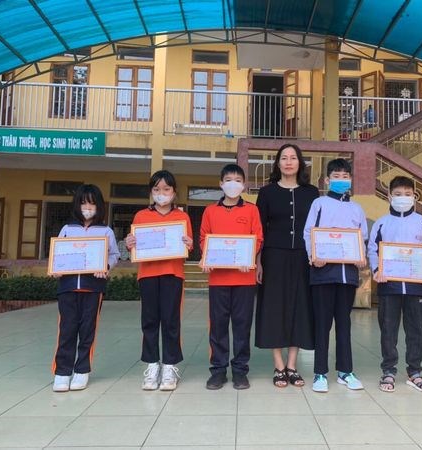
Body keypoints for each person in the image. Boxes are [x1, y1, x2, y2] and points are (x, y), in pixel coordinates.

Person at [255, 143, 319, 387]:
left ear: (300, 163)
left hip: (303, 256)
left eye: (293, 158)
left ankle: (292, 365)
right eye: (284, 158)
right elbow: (260, 230)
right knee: (274, 307)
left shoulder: (311, 193)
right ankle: (278, 365)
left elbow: (316, 228)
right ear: (278, 163)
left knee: (299, 307)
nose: (289, 162)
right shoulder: (267, 192)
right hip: (273, 256)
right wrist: (258, 261)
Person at [367, 175, 422, 393]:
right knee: (388, 330)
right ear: (389, 196)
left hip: (417, 286)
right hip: (389, 285)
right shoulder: (381, 223)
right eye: (398, 194)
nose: (403, 198)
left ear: (414, 196)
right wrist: (376, 270)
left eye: (407, 194)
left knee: (415, 330)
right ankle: (388, 370)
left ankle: (414, 372)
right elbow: (373, 250)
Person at [303, 158, 368, 393]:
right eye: (336, 177)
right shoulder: (319, 203)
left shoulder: (357, 208)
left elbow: (362, 237)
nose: (341, 180)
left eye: (345, 176)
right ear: (327, 180)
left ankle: (345, 371)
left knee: (344, 324)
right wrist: (314, 255)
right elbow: (309, 232)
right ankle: (320, 373)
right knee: (322, 324)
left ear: (351, 180)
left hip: (347, 275)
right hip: (323, 272)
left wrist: (361, 256)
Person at [125, 170, 193, 391]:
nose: (161, 193)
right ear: (151, 192)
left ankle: (170, 366)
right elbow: (134, 246)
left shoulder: (182, 217)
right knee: (150, 321)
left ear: (174, 192)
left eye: (166, 189)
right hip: (147, 275)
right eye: (156, 189)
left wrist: (188, 244)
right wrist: (130, 243)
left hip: (173, 274)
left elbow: (188, 247)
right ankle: (152, 365)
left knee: (171, 320)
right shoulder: (141, 216)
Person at [199, 164, 263, 390]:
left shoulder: (252, 210)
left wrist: (249, 256)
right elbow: (204, 239)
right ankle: (218, 371)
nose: (233, 184)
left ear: (243, 184)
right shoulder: (210, 211)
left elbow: (258, 238)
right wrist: (207, 257)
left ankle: (240, 371)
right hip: (218, 279)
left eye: (237, 180)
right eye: (228, 180)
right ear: (221, 184)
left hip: (244, 279)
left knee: (242, 326)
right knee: (218, 326)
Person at [52, 184, 119, 392]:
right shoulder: (67, 229)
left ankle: (82, 370)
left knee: (88, 330)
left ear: (99, 206)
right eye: (83, 203)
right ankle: (62, 372)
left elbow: (114, 255)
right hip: (68, 287)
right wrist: (56, 268)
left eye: (92, 203)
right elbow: (58, 253)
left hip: (93, 288)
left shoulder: (106, 231)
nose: (87, 208)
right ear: (77, 205)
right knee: (66, 330)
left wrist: (105, 267)